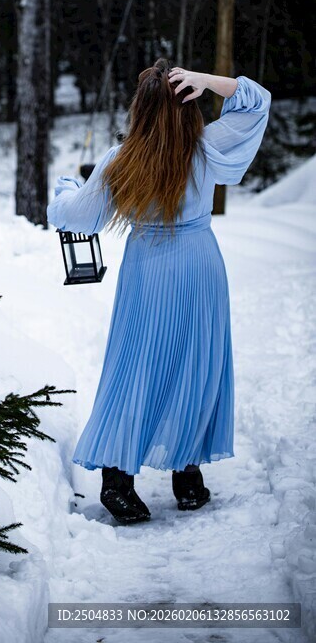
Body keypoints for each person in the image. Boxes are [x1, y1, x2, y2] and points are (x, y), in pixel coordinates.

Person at [47, 59, 271, 525]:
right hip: (200, 265)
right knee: (196, 363)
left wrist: (66, 189)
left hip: (148, 269)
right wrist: (206, 81)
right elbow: (256, 101)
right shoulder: (206, 148)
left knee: (136, 365)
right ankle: (187, 480)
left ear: (140, 109)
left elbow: (77, 216)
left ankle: (117, 482)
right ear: (188, 105)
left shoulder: (121, 159)